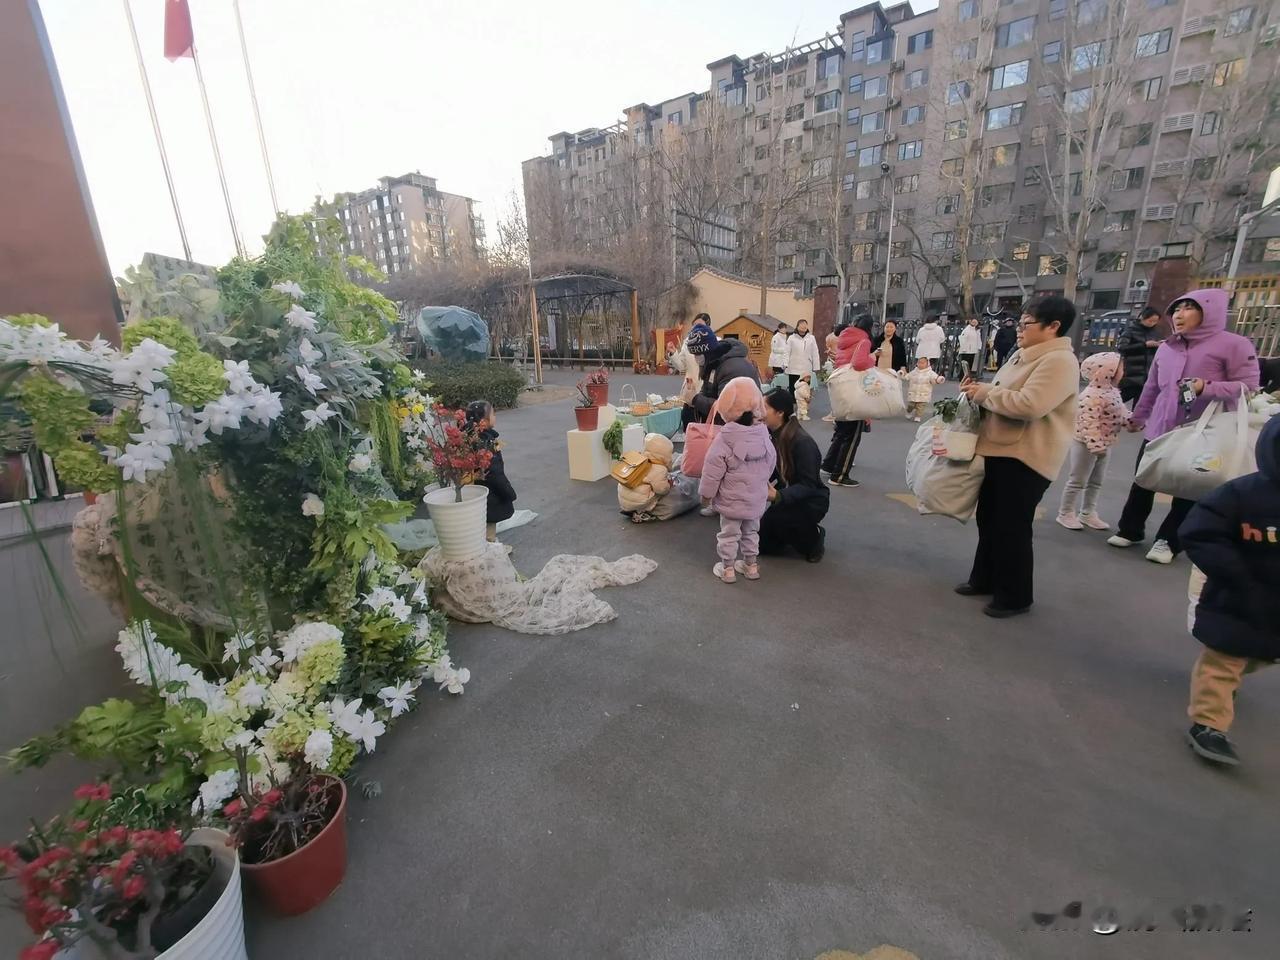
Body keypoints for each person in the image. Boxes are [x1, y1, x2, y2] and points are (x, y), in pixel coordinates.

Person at [1108, 289, 1260, 564]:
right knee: (1144, 478)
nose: (1179, 314)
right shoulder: (1167, 346)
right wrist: (1139, 416)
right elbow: (1152, 387)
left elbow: (1248, 386)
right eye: (1176, 309)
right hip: (1161, 426)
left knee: (1190, 487)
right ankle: (1130, 530)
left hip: (1205, 432)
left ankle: (1169, 541)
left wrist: (1206, 387)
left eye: (1189, 307)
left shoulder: (1235, 344)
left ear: (1210, 311)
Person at [956, 296, 1081, 618]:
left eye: (1027, 324)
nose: (1020, 329)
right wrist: (978, 391)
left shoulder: (1059, 361)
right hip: (1000, 449)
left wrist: (984, 393)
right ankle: (984, 578)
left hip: (1027, 456)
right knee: (990, 520)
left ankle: (1015, 596)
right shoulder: (1023, 355)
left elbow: (1030, 405)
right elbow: (1004, 394)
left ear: (1053, 327)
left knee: (1012, 527)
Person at [1179, 416, 1280, 766]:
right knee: (1222, 663)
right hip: (1235, 600)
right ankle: (1209, 726)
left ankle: (1225, 685)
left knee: (1257, 658)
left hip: (1273, 615)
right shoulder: (1243, 494)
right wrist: (1233, 572)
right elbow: (1199, 531)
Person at [697, 378, 777, 583]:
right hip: (755, 499)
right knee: (751, 532)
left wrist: (706, 496)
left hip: (731, 500)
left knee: (729, 534)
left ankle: (728, 569)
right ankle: (751, 566)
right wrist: (760, 481)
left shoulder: (726, 438)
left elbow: (712, 470)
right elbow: (771, 460)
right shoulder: (763, 434)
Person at [1057, 352, 1129, 531]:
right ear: (1107, 371)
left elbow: (1120, 412)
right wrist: (1096, 445)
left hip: (1105, 444)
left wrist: (1132, 421)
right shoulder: (1091, 395)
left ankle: (1088, 512)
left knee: (1096, 481)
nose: (1123, 372)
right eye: (1120, 368)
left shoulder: (1112, 392)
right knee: (1077, 480)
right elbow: (1088, 422)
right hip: (1086, 444)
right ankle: (1065, 512)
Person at [760, 388, 830, 563]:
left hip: (812, 500)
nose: (759, 412)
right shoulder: (772, 433)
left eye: (764, 408)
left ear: (780, 412)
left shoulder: (802, 442)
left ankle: (814, 538)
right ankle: (788, 531)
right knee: (762, 545)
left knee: (784, 524)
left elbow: (809, 485)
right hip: (790, 495)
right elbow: (775, 468)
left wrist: (778, 495)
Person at [821, 316, 875, 488]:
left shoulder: (844, 338)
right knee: (852, 435)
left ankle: (828, 465)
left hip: (841, 389)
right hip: (855, 392)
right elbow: (859, 363)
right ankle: (840, 475)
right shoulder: (863, 341)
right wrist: (872, 360)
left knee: (841, 431)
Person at [685, 323, 760, 424]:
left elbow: (727, 409)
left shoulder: (732, 369)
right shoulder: (714, 363)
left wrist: (696, 399)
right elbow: (710, 391)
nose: (695, 358)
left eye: (697, 355)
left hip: (740, 430)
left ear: (707, 351)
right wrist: (695, 396)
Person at [465, 400, 517, 543]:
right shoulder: (485, 442)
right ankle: (491, 551)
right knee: (488, 525)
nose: (495, 417)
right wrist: (508, 491)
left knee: (479, 521)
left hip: (472, 491)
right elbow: (494, 472)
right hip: (489, 493)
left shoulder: (467, 437)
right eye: (493, 414)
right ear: (484, 421)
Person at [616, 433, 674, 524]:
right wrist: (669, 484)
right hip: (639, 502)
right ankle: (640, 512)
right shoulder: (659, 469)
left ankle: (631, 508)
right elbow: (662, 489)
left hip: (623, 499)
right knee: (660, 490)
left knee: (643, 486)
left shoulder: (638, 459)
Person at [1116, 306, 1163, 405]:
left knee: (1139, 406)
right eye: (1150, 320)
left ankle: (1135, 420)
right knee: (1117, 401)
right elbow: (1122, 348)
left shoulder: (1154, 332)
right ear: (1142, 317)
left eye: (1155, 321)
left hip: (1147, 376)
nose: (1152, 323)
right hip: (1131, 374)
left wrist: (1160, 345)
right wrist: (1144, 345)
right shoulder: (1130, 331)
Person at [784, 319, 822, 396]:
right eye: (801, 325)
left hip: (806, 368)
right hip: (793, 368)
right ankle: (793, 404)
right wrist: (785, 363)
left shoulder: (811, 338)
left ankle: (804, 405)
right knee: (793, 388)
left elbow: (815, 352)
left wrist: (816, 366)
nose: (803, 327)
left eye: (805, 325)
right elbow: (787, 352)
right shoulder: (792, 338)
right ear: (797, 326)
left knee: (805, 388)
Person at [903, 357, 944, 422]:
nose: (920, 364)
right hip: (913, 392)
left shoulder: (930, 373)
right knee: (911, 405)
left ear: (927, 364)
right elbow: (908, 377)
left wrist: (939, 380)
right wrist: (903, 375)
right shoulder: (914, 371)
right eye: (919, 363)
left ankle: (918, 416)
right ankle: (909, 411)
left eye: (922, 363)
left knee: (920, 406)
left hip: (924, 394)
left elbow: (934, 379)